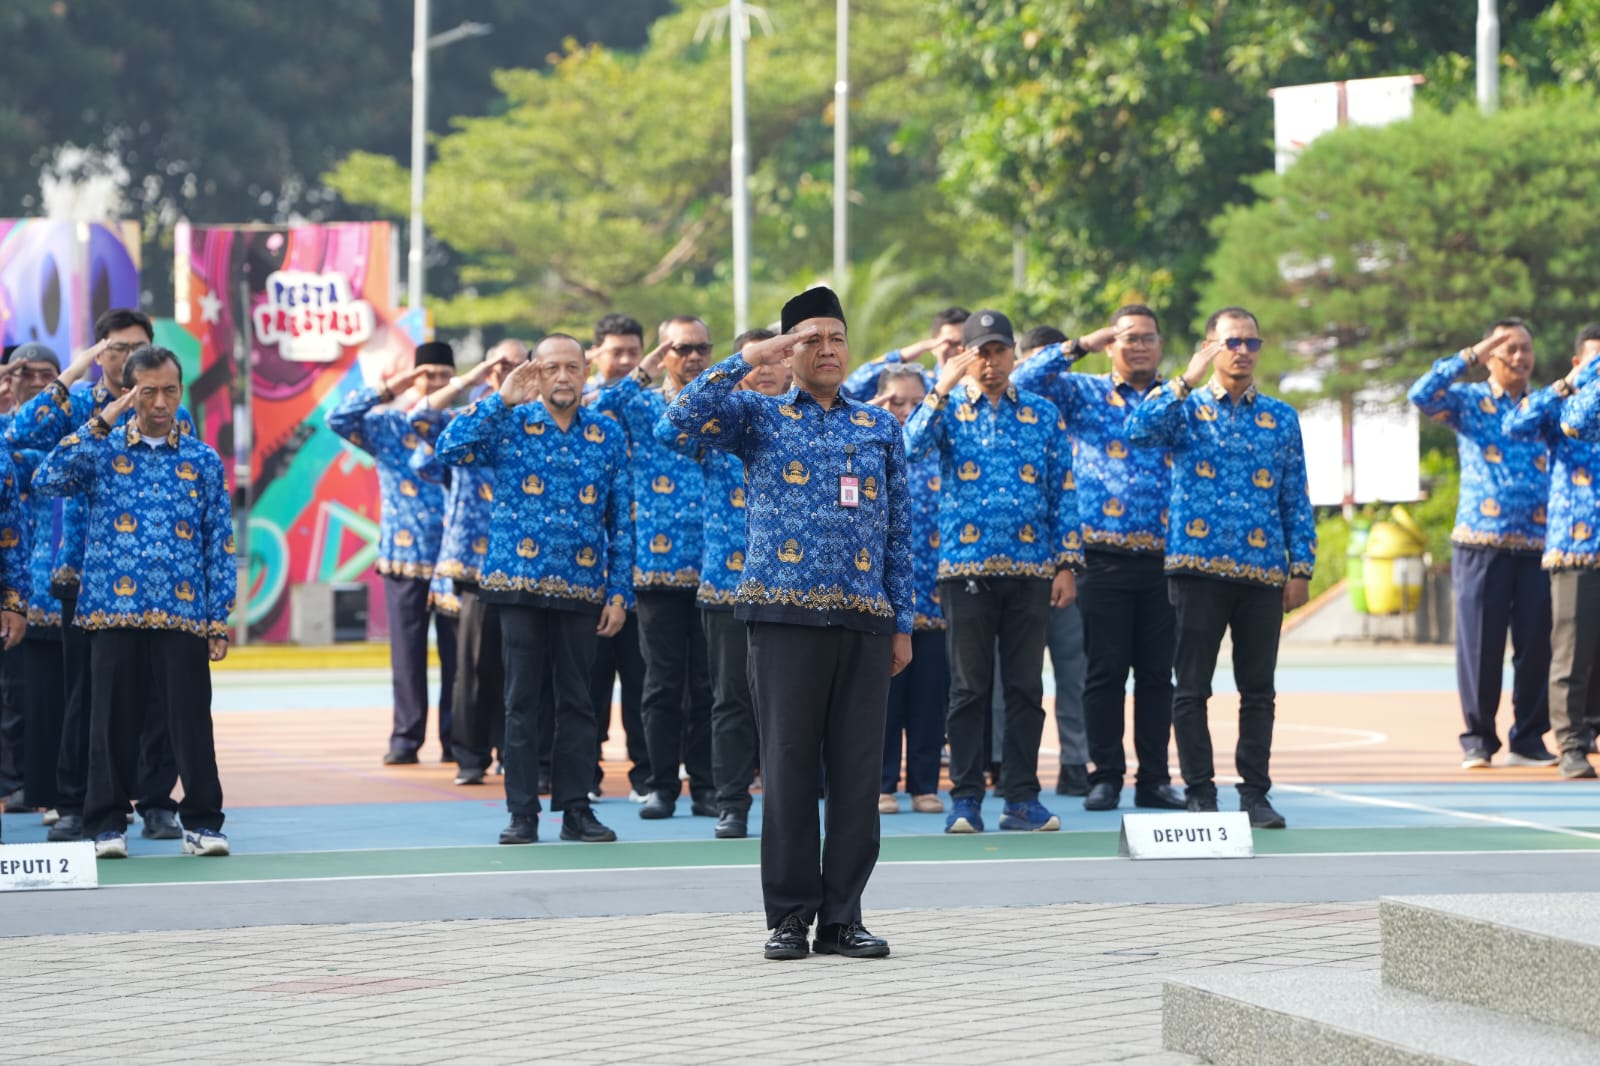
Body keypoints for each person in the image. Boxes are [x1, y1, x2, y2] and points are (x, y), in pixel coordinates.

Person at [668, 286, 912, 961]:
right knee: (788, 769)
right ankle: (789, 917)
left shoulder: (879, 427)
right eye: (811, 339)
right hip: (782, 618)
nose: (828, 350)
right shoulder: (755, 416)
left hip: (865, 620)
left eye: (836, 337)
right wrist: (745, 359)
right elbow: (674, 425)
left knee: (860, 776)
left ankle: (843, 918)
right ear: (787, 350)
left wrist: (903, 621)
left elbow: (899, 531)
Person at [35, 346, 235, 858]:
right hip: (110, 610)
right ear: (129, 392)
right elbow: (47, 477)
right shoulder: (101, 452)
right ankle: (106, 824)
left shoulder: (202, 460)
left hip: (183, 611)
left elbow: (219, 541)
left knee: (191, 722)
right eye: (148, 391)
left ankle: (203, 823)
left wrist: (218, 618)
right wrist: (103, 420)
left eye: (170, 390)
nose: (161, 402)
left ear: (182, 392)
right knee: (110, 723)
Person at [435, 334, 630, 845]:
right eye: (551, 369)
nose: (562, 377)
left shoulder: (607, 433)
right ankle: (521, 812)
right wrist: (500, 398)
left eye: (572, 368)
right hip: (516, 584)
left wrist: (618, 592)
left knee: (579, 703)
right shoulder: (510, 423)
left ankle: (574, 810)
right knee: (520, 701)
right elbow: (447, 447)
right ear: (536, 374)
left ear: (587, 372)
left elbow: (622, 520)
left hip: (583, 588)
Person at [7, 309, 192, 843]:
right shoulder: (79, 405)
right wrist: (71, 374)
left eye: (137, 347)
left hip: (161, 579)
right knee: (85, 697)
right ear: (99, 353)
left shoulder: (169, 406)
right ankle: (76, 803)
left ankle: (158, 802)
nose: (126, 357)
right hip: (84, 576)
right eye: (115, 348)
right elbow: (21, 431)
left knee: (159, 699)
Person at [1125, 307, 1314, 829]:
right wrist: (1184, 380)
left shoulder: (1280, 417)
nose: (1243, 352)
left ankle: (1255, 794)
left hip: (1260, 573)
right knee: (1191, 687)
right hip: (1196, 568)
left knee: (1258, 690)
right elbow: (1138, 431)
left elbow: (1295, 496)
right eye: (1232, 342)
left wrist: (1302, 566)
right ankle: (1200, 792)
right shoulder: (1184, 409)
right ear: (1211, 347)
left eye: (1252, 343)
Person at [905, 310, 1080, 836]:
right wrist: (939, 388)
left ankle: (1022, 798)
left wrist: (1067, 562)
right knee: (968, 689)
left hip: (1031, 570)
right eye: (981, 351)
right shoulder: (949, 409)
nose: (991, 361)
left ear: (1013, 355)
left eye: (999, 350)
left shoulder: (1043, 414)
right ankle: (965, 798)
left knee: (1026, 688)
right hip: (965, 570)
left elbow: (1062, 491)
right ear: (966, 355)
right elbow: (911, 445)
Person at [1013, 307, 1185, 812]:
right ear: (1111, 344)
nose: (1137, 346)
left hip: (1164, 556)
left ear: (1160, 345)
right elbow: (1024, 379)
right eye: (1127, 337)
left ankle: (1153, 777)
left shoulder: (1176, 397)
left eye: (1147, 338)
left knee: (1157, 676)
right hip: (1101, 556)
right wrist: (1081, 344)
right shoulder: (1082, 391)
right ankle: (1104, 774)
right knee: (1104, 672)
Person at [653, 328, 790, 838]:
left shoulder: (809, 420)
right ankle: (732, 802)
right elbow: (668, 430)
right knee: (730, 699)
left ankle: (788, 801)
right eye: (757, 360)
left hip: (791, 588)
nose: (769, 367)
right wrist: (734, 368)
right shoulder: (721, 424)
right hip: (725, 587)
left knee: (789, 706)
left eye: (779, 357)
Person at [1408, 319, 1554, 769]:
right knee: (1480, 645)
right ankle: (1478, 738)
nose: (1519, 357)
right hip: (1480, 541)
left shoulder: (1545, 402)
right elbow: (1421, 394)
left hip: (1538, 541)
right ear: (1490, 355)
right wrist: (1471, 353)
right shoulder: (1469, 401)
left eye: (1525, 348)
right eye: (1507, 349)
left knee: (1537, 645)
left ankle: (1528, 738)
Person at [598, 318, 715, 821]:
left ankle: (709, 787)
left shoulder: (722, 404)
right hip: (658, 568)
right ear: (664, 352)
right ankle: (661, 786)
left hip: (718, 566)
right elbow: (596, 410)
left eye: (701, 348)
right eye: (680, 348)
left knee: (711, 686)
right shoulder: (641, 403)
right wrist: (642, 371)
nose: (692, 356)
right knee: (661, 684)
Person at [327, 342, 458, 766]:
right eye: (427, 374)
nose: (435, 383)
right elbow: (337, 418)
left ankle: (459, 739)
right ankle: (406, 737)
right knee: (407, 656)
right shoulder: (387, 425)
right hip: (404, 556)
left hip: (458, 560)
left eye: (443, 375)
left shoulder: (461, 424)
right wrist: (388, 388)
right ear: (413, 377)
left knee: (461, 658)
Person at [410, 341, 527, 786]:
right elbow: (420, 420)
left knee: (519, 665)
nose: (507, 371)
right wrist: (476, 377)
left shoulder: (537, 421)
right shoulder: (471, 417)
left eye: (517, 364)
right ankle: (471, 756)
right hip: (470, 564)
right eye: (500, 364)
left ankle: (513, 752)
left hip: (522, 562)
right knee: (472, 668)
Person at [1515, 325, 1600, 776]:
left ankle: (1591, 730)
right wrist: (1571, 386)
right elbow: (1516, 423)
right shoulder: (1561, 405)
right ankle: (1570, 745)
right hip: (1576, 548)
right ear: (1577, 363)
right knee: (1572, 652)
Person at [870, 364, 947, 816]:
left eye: (915, 402)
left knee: (929, 700)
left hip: (935, 598)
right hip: (879, 599)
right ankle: (881, 783)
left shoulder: (941, 451)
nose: (906, 411)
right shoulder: (865, 447)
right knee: (883, 699)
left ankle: (925, 784)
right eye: (896, 401)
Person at [583, 314, 650, 801]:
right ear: (595, 355)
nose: (626, 361)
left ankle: (646, 777)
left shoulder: (651, 406)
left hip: (648, 566)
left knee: (645, 683)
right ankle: (584, 776)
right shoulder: (584, 404)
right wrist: (640, 377)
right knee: (587, 684)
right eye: (617, 352)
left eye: (634, 351)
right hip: (591, 568)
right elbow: (605, 402)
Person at [840, 307, 968, 402]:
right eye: (951, 343)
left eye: (966, 342)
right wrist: (903, 354)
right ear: (934, 345)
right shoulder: (920, 383)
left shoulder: (981, 385)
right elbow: (850, 390)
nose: (960, 349)